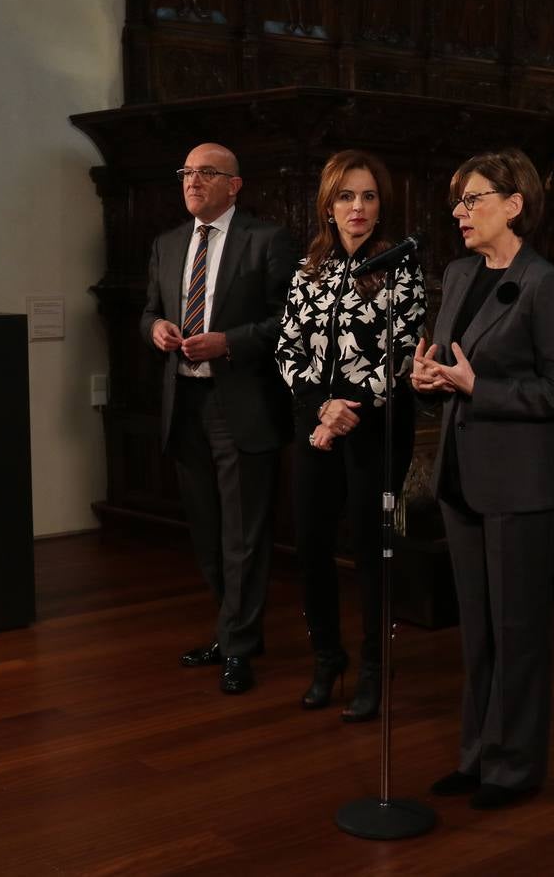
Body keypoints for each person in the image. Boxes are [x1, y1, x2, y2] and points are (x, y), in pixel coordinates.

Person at [411, 148, 554, 810]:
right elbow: (449, 364)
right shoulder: (458, 274)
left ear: (514, 205)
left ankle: (514, 769)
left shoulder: (547, 284)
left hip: (522, 487)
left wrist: (482, 387)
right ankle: (478, 757)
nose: (460, 211)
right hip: (462, 480)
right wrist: (428, 381)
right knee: (478, 631)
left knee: (517, 632)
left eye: (474, 198)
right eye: (458, 200)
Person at [141, 142, 297, 695]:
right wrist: (156, 329)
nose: (192, 180)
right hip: (184, 405)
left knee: (244, 536)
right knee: (207, 534)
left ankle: (239, 646)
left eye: (206, 172)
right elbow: (147, 310)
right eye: (186, 171)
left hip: (241, 407)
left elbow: (289, 321)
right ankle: (229, 628)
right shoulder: (167, 243)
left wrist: (229, 342)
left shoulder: (267, 240)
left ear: (234, 185)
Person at [276, 150, 426, 722]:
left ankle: (372, 668)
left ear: (381, 205)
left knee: (370, 551)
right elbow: (287, 348)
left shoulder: (401, 266)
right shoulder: (307, 268)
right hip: (315, 425)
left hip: (376, 429)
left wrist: (346, 409)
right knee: (311, 546)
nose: (357, 207)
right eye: (346, 196)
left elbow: (403, 353)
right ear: (328, 205)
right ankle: (326, 657)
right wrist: (321, 408)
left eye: (368, 196)